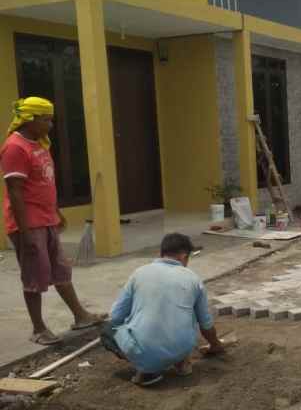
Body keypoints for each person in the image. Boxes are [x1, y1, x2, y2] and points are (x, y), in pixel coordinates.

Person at [0, 96, 106, 345]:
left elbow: (43, 183)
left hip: (46, 219)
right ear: (30, 119)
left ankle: (81, 316)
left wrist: (56, 212)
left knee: (60, 270)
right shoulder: (15, 147)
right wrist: (24, 233)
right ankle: (38, 329)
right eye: (46, 120)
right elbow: (14, 191)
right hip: (29, 224)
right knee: (34, 276)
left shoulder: (38, 144)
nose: (50, 125)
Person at [101, 232, 224, 386]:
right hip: (183, 347)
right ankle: (181, 362)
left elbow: (116, 316)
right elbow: (206, 324)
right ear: (184, 256)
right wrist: (215, 345)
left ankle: (148, 369)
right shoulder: (194, 279)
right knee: (186, 311)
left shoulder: (139, 273)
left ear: (161, 254)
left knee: (107, 329)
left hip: (145, 350)